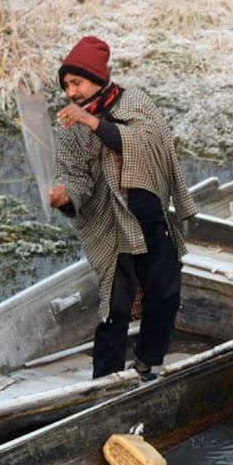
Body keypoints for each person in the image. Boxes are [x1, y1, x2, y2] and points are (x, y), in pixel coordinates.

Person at [48, 36, 197, 380]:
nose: (71, 92)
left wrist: (92, 122)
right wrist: (64, 197)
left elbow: (142, 146)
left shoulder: (136, 103)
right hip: (114, 226)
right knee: (114, 308)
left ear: (99, 77)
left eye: (77, 82)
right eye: (66, 85)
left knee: (165, 295)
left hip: (151, 217)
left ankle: (146, 365)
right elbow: (76, 179)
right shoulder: (70, 128)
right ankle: (104, 382)